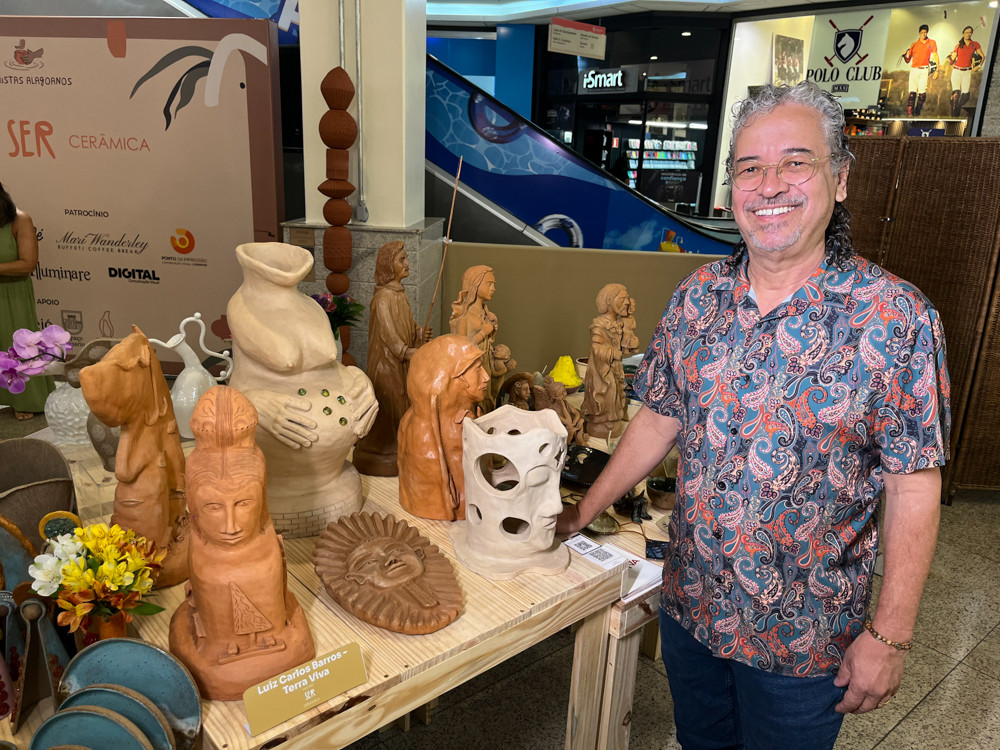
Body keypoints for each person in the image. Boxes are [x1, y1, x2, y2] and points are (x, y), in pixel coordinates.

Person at [557, 81, 950, 749]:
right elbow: (657, 420)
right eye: (749, 167)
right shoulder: (697, 299)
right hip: (691, 611)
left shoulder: (897, 319)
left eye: (796, 162)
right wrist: (583, 512)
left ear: (840, 179)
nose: (769, 185)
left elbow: (913, 486)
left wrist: (890, 636)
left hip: (804, 642)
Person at [352, 241, 431, 477]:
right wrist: (406, 351)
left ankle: (400, 444)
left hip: (400, 363)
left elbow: (405, 323)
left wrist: (418, 332)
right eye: (402, 260)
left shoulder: (399, 294)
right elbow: (388, 333)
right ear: (389, 265)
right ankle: (381, 447)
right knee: (389, 402)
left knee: (402, 402)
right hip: (386, 364)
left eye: (407, 258)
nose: (408, 264)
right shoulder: (383, 298)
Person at [0, 182, 54, 419]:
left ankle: (24, 399)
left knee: (15, 347)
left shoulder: (19, 220)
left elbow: (28, 263)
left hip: (11, 296)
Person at [946, 26, 985, 117]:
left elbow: (982, 57)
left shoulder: (975, 44)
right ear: (963, 34)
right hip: (957, 71)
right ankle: (954, 117)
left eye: (970, 32)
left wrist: (978, 66)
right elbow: (952, 61)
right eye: (966, 32)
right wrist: (949, 57)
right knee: (956, 94)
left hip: (967, 72)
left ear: (972, 33)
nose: (968, 34)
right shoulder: (958, 46)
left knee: (965, 96)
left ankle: (957, 109)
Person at [903, 24, 939, 116]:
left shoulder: (932, 43)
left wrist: (937, 70)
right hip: (914, 70)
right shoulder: (914, 44)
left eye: (925, 32)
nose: (924, 34)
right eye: (922, 32)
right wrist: (904, 56)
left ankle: (917, 111)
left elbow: (935, 56)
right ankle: (910, 113)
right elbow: (908, 60)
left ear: (927, 32)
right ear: (919, 33)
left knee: (922, 95)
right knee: (912, 93)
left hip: (924, 70)